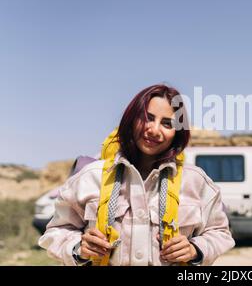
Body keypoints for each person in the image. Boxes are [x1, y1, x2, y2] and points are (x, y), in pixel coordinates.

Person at [38, 84, 235, 266]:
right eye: (148, 118)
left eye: (167, 124)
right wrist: (78, 248)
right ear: (132, 120)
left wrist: (195, 250)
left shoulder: (195, 181)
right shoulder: (92, 176)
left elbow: (219, 232)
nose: (154, 130)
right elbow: (56, 231)